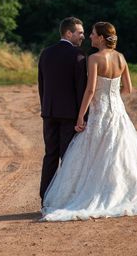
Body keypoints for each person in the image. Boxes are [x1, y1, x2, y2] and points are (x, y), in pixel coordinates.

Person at [41, 22, 137, 221]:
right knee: (118, 153)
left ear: (101, 37)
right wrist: (113, 97)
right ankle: (122, 192)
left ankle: (93, 194)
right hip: (117, 111)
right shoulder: (121, 58)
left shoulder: (93, 59)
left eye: (92, 34)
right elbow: (128, 89)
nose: (89, 37)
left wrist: (81, 115)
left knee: (95, 153)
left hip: (100, 112)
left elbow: (90, 90)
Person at [37, 16, 88, 207]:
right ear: (69, 33)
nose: (83, 36)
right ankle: (65, 199)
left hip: (49, 113)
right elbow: (80, 89)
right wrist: (83, 117)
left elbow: (42, 85)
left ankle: (45, 199)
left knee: (50, 155)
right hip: (70, 116)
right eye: (80, 32)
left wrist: (46, 108)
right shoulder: (78, 56)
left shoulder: (45, 53)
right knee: (68, 158)